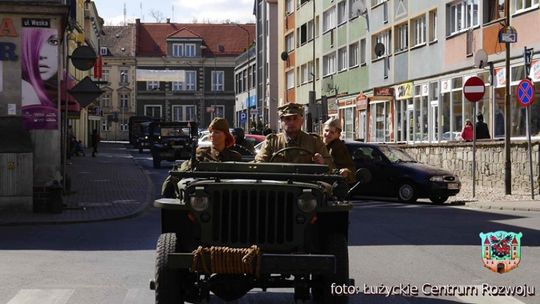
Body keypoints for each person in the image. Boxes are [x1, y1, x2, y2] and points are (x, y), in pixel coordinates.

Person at [162, 118, 241, 197]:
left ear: (225, 136)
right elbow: (186, 171)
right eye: (211, 132)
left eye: (216, 132)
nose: (212, 135)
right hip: (203, 196)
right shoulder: (201, 153)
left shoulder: (234, 156)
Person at [255, 103, 335, 170]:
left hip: (308, 183)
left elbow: (331, 166)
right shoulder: (272, 141)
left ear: (302, 121)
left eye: (295, 118)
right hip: (279, 184)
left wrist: (323, 162)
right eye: (288, 119)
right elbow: (259, 163)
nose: (292, 122)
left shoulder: (314, 141)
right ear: (281, 121)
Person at [21, 27, 59, 129]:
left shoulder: (54, 92)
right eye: (34, 43)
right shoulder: (25, 89)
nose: (42, 54)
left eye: (53, 42)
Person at [323, 118, 356, 184]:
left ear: (338, 135)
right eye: (326, 130)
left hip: (332, 184)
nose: (328, 134)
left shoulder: (338, 147)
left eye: (332, 132)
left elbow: (350, 169)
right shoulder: (318, 144)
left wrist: (346, 172)